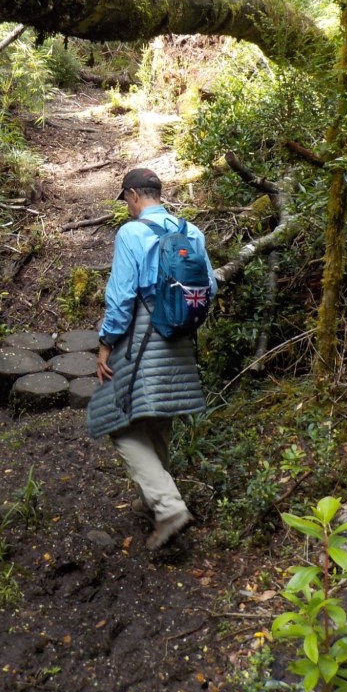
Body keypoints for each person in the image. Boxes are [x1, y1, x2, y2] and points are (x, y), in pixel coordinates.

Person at [86, 168, 217, 551]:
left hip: (142, 337)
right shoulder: (192, 232)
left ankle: (168, 507)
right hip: (180, 337)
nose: (127, 207)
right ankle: (153, 501)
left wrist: (106, 343)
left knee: (116, 422)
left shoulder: (132, 233)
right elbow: (210, 287)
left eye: (126, 200)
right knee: (158, 417)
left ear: (132, 195)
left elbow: (122, 296)